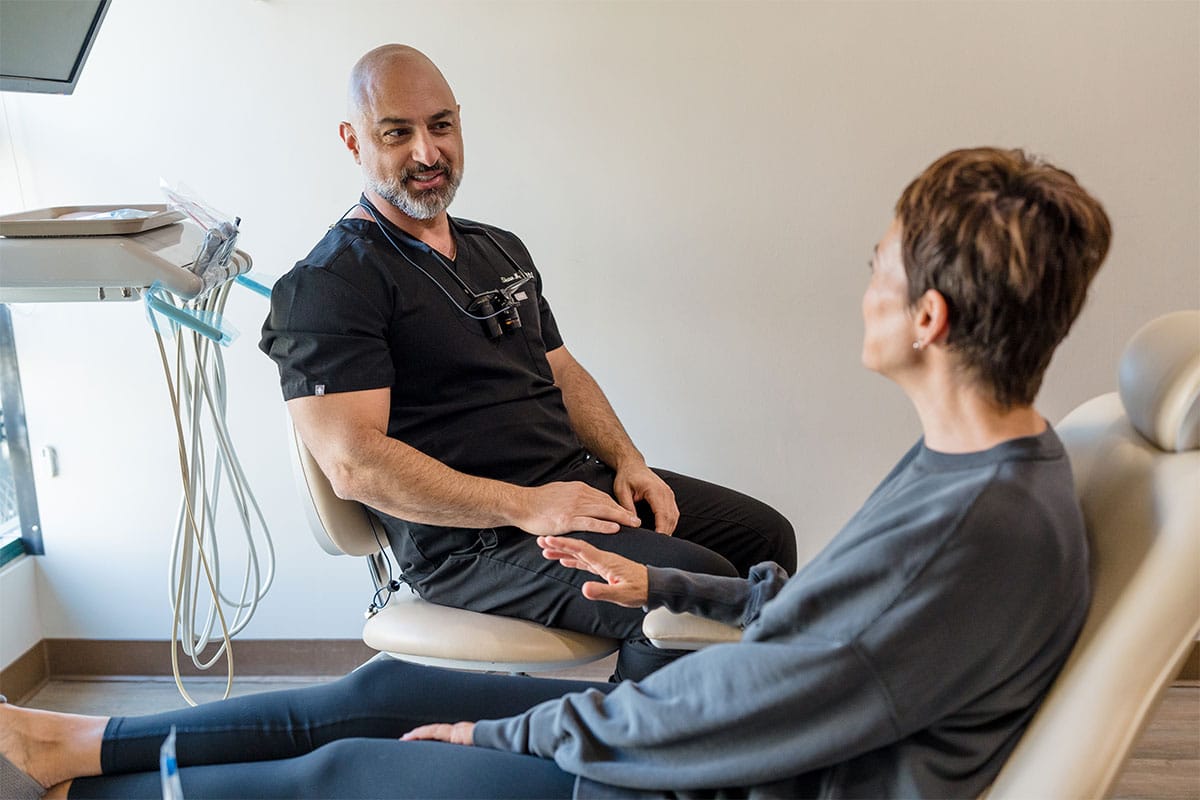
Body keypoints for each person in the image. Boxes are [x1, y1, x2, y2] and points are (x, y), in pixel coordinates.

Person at [0, 146, 1111, 799]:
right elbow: (833, 625)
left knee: (354, 772)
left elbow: (743, 703)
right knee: (383, 696)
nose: (863, 269)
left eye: (883, 255)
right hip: (723, 728)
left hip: (727, 779)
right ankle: (77, 740)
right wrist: (674, 589)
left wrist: (508, 735)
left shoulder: (976, 529)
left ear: (929, 315)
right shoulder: (986, 463)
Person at [257, 43, 796, 682]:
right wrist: (524, 505)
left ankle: (746, 732)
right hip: (473, 540)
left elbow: (563, 371)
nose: (427, 153)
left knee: (764, 538)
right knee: (696, 586)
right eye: (397, 133)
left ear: (459, 121)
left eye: (441, 126)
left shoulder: (498, 250)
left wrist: (628, 461)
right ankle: (631, 758)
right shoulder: (331, 283)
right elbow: (354, 465)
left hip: (571, 487)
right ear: (354, 141)